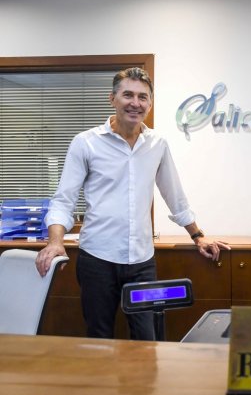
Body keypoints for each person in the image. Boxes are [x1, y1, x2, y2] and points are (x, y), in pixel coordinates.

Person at [35, 67, 230, 340]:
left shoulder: (157, 144)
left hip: (141, 263)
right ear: (112, 99)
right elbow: (63, 201)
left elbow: (174, 195)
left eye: (142, 97)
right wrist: (55, 242)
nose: (135, 103)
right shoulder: (86, 143)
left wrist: (197, 236)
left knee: (146, 339)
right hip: (96, 260)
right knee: (99, 337)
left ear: (150, 104)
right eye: (128, 95)